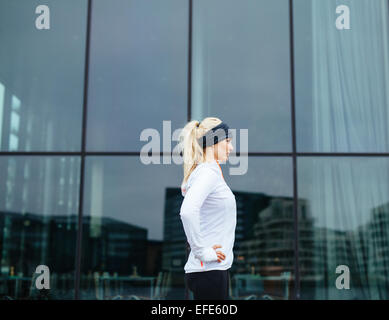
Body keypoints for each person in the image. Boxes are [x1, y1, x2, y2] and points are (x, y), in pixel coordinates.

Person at [178, 117, 237, 300]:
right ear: (213, 142)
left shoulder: (208, 172)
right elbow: (187, 212)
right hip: (209, 271)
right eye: (227, 141)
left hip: (212, 271)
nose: (231, 147)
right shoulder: (207, 173)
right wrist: (202, 251)